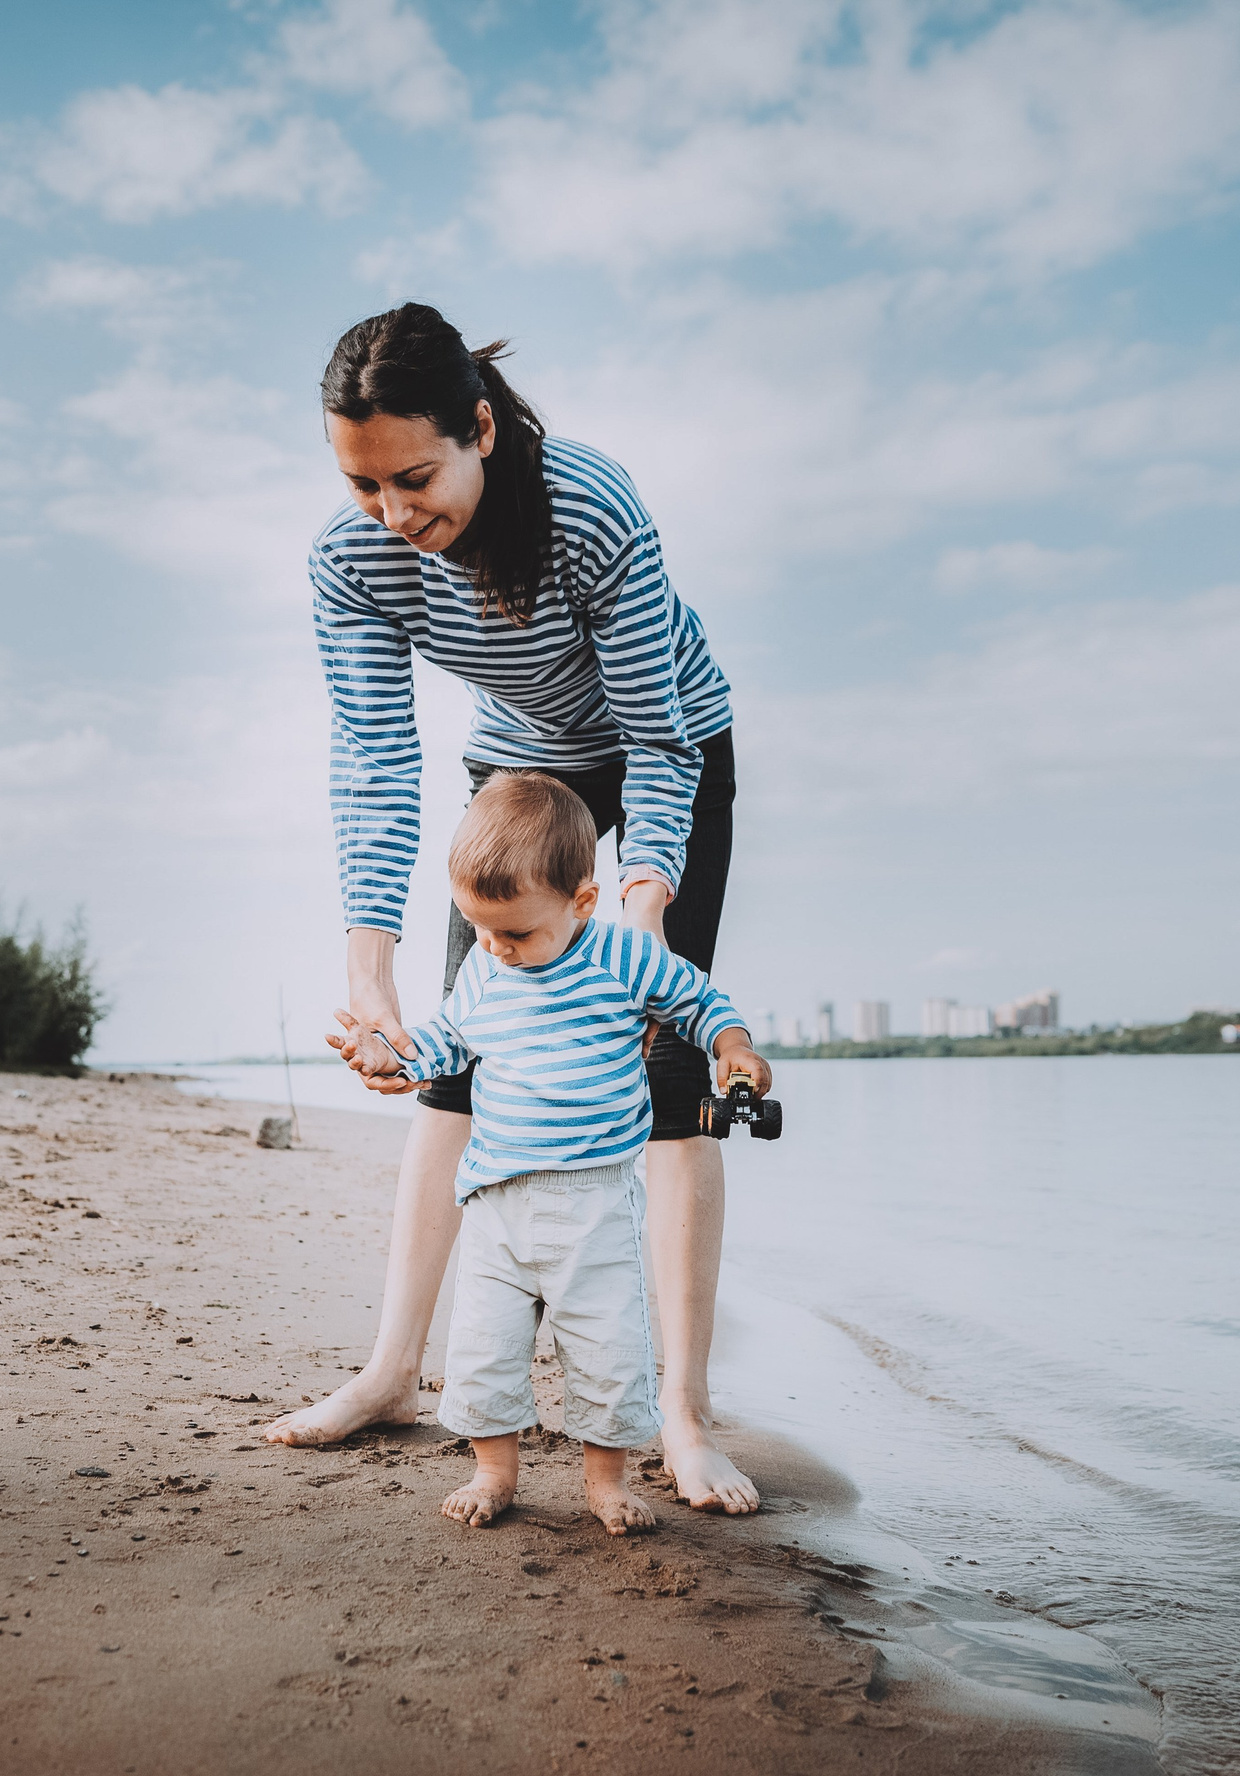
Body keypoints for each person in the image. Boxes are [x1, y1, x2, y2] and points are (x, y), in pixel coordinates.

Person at [264, 301, 762, 1516]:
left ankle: (681, 1418)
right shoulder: (355, 561)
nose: (394, 515)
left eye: (417, 477)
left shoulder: (589, 509)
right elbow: (374, 760)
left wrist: (642, 903)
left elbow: (652, 733)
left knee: (664, 1079)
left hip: (662, 758)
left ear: (480, 428)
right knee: (460, 1071)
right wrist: (369, 975)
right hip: (515, 777)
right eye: (362, 484)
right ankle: (393, 1371)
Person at [334, 772, 769, 1534]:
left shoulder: (623, 959)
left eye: (517, 933)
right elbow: (445, 1040)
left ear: (584, 902)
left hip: (594, 1200)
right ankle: (494, 1470)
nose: (498, 949)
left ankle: (606, 1481)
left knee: (607, 1350)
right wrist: (393, 1061)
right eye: (483, 930)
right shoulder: (484, 967)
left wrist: (732, 1045)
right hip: (496, 1202)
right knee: (485, 1347)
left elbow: (699, 1000)